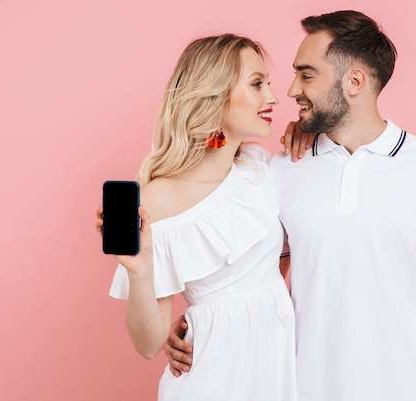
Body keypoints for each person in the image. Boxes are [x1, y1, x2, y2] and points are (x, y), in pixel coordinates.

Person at [163, 11, 416, 401]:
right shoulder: (281, 168)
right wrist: (202, 322)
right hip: (302, 390)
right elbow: (256, 278)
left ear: (354, 81)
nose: (291, 90)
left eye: (306, 75)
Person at [95, 34, 298, 401]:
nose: (272, 96)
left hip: (276, 365)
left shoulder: (259, 168)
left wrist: (307, 131)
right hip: (212, 375)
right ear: (215, 95)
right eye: (257, 84)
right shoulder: (159, 200)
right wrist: (139, 271)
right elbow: (148, 344)